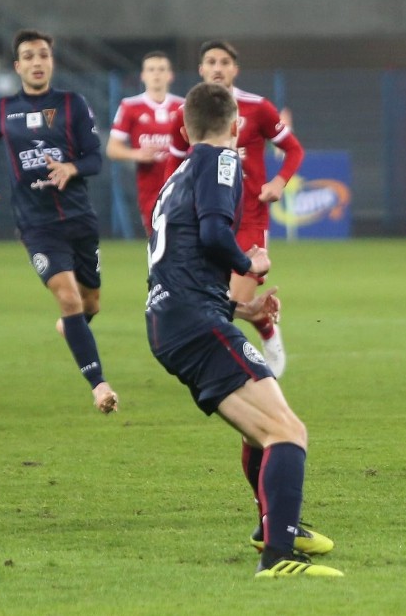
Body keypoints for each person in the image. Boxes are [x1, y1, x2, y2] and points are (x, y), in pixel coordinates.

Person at [145, 82, 340, 578]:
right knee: (288, 432)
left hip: (174, 319)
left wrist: (242, 308)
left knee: (261, 432)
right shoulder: (224, 160)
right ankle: (278, 557)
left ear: (184, 130)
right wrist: (248, 262)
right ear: (235, 127)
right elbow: (213, 236)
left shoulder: (178, 174)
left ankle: (275, 527)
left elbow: (184, 260)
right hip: (192, 320)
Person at [0, 29, 117, 414]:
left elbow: (95, 159)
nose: (37, 62)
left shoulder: (73, 104)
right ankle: (99, 386)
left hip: (79, 218)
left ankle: (71, 326)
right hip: (37, 225)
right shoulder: (1, 109)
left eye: (43, 55)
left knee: (91, 303)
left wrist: (71, 166)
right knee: (69, 298)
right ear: (17, 65)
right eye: (29, 56)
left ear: (51, 62)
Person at [165, 40, 304, 380]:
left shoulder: (257, 109)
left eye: (224, 62)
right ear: (200, 69)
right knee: (218, 305)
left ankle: (245, 376)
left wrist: (278, 183)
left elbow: (293, 149)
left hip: (249, 220)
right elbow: (173, 166)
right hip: (204, 219)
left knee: (226, 307)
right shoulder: (186, 114)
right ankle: (260, 321)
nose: (217, 68)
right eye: (210, 61)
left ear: (235, 69)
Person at [106, 51, 184, 235]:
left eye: (161, 69)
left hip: (181, 185)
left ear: (170, 75)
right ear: (143, 75)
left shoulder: (184, 107)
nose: (156, 74)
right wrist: (136, 154)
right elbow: (112, 148)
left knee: (183, 240)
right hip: (149, 188)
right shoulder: (130, 106)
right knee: (157, 240)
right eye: (151, 69)